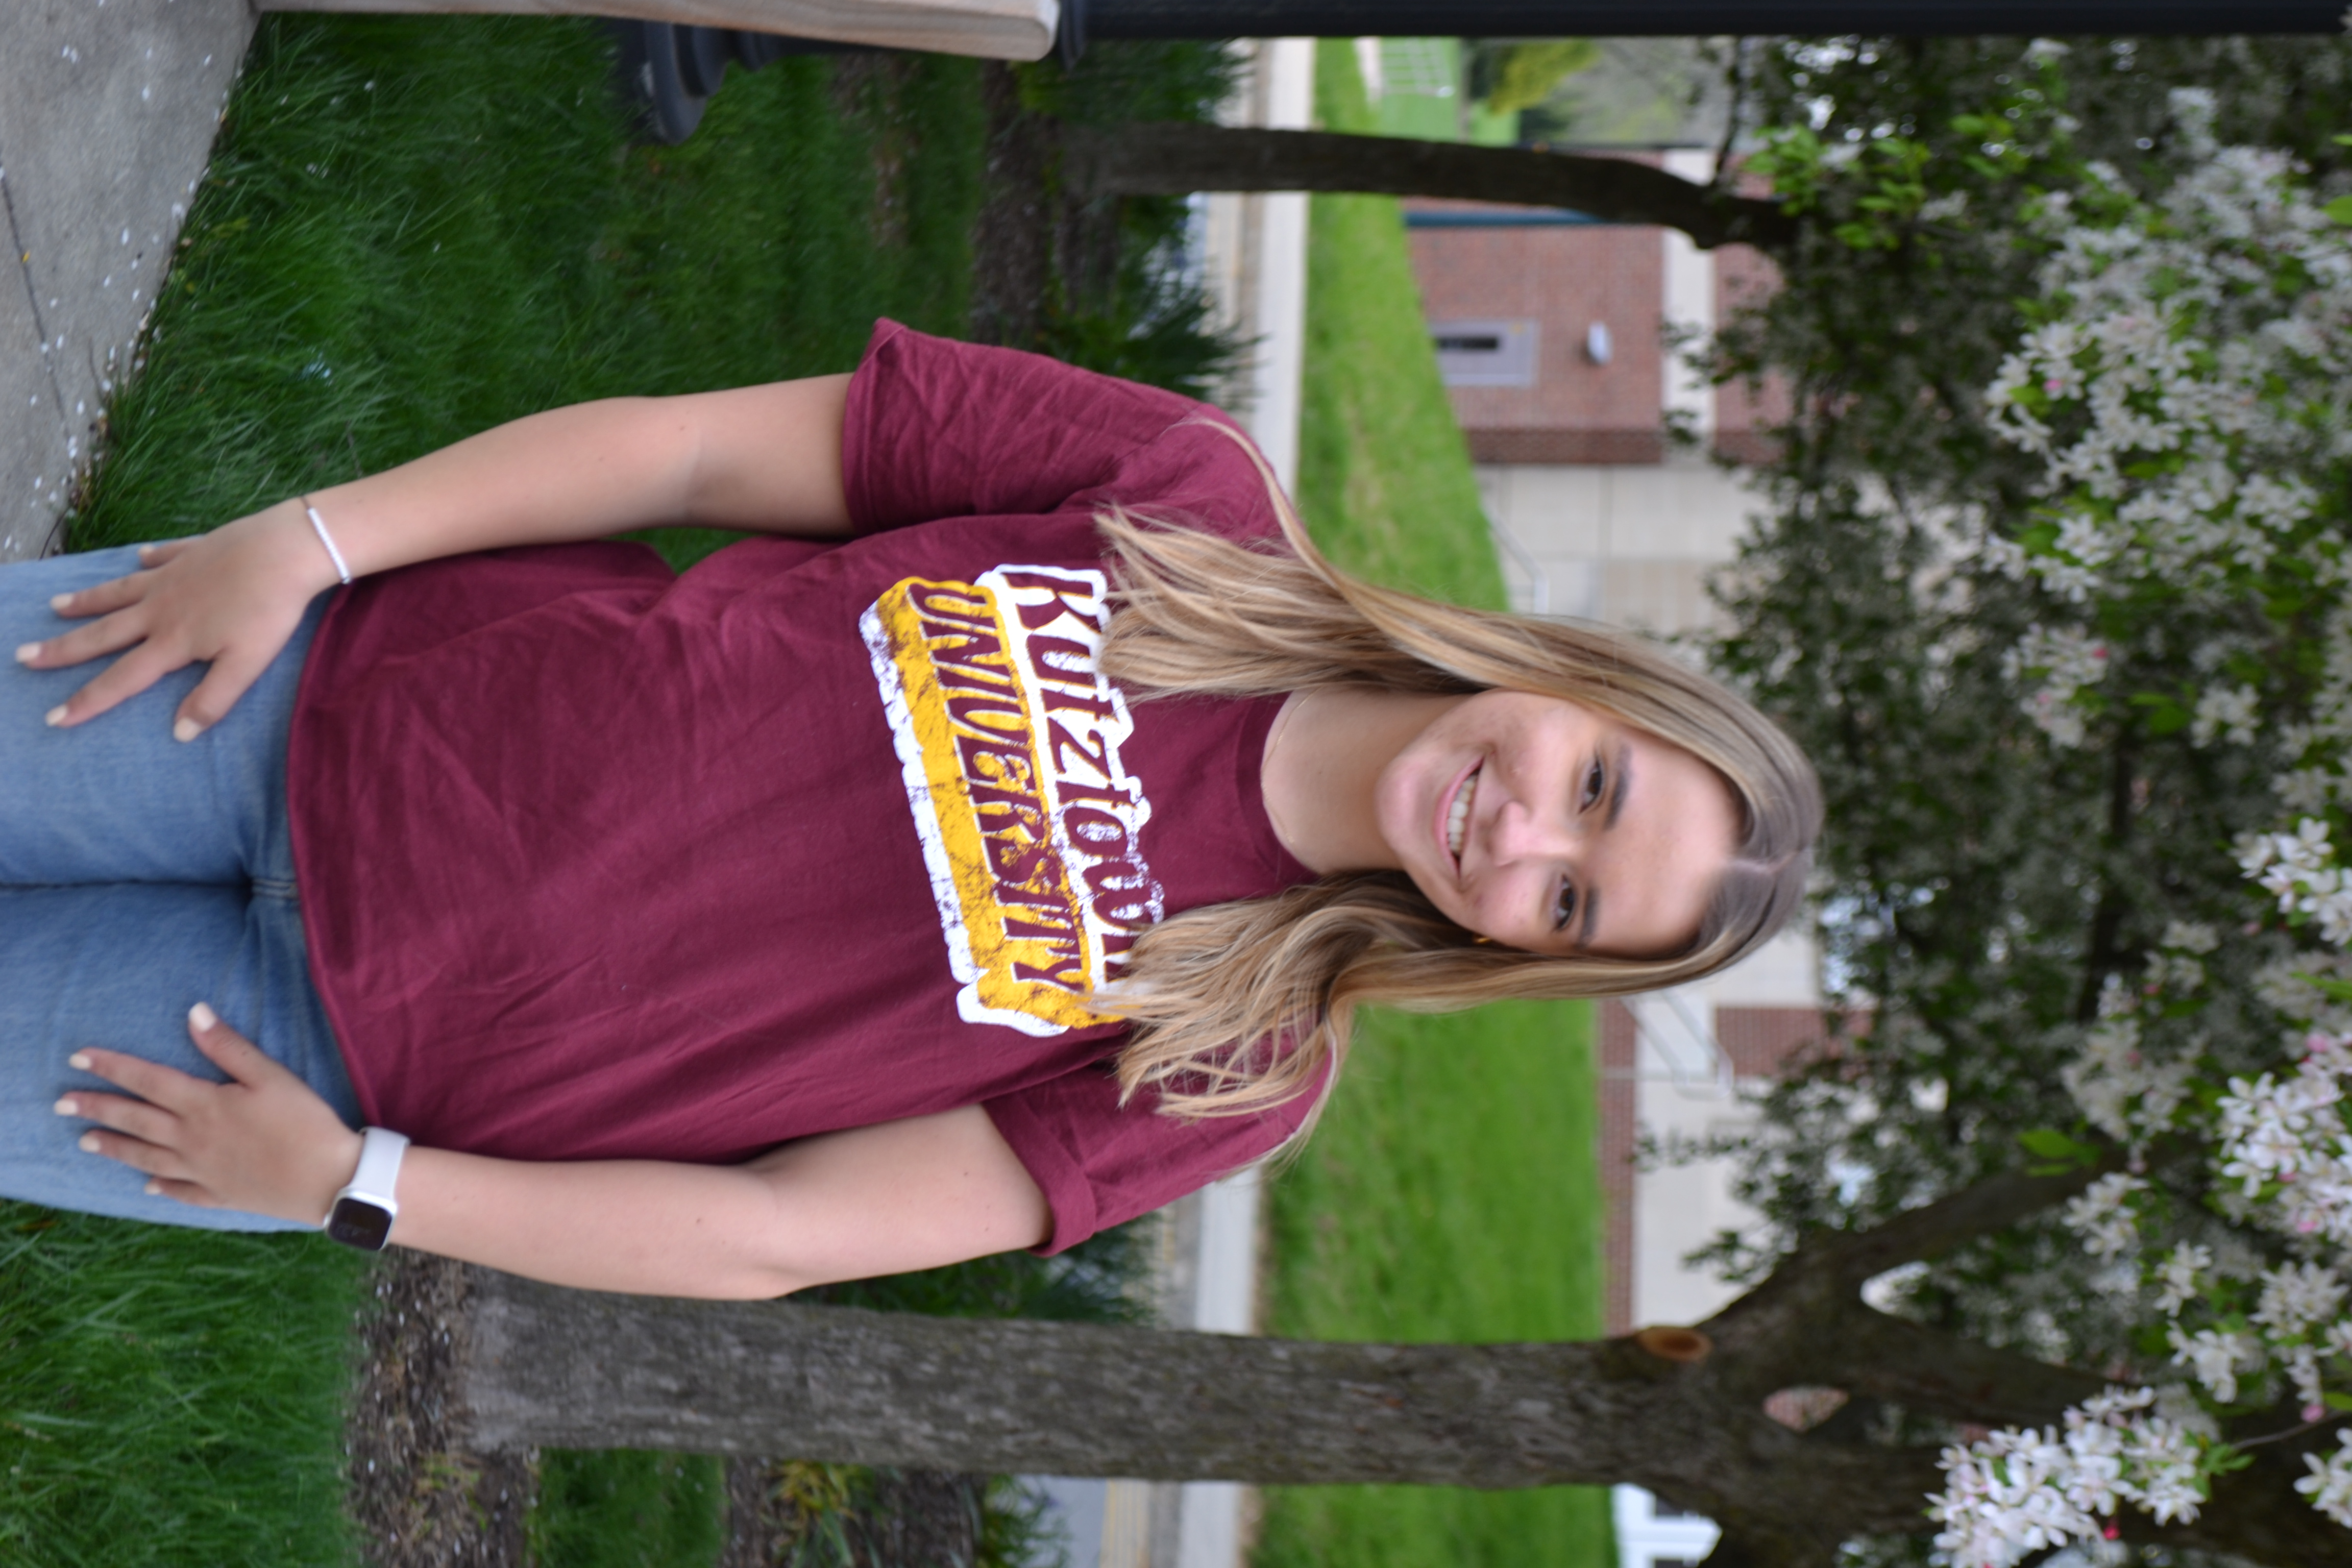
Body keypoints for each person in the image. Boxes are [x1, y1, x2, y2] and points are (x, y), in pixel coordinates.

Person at [3, 322, 1819, 1298]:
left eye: (1572, 903)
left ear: (1526, 959)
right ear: (1581, 682)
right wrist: (298, 543)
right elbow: (696, 451)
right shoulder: (1180, 492)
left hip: (310, 1070)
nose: (1523, 837)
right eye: (1595, 784)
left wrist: (357, 1190)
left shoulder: (1237, 1062)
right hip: (301, 697)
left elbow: (791, 1232)